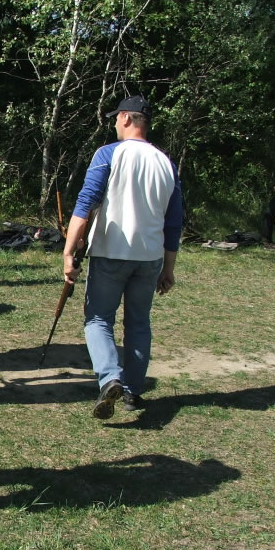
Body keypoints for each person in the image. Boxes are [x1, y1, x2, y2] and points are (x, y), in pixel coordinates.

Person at [62, 95, 182, 419]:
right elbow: (174, 222)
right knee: (139, 323)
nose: (115, 122)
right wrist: (168, 268)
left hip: (111, 251)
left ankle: (109, 378)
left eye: (117, 117)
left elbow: (85, 202)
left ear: (127, 118)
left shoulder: (108, 154)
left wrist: (68, 251)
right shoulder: (166, 163)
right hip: (150, 256)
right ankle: (132, 390)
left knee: (98, 319)